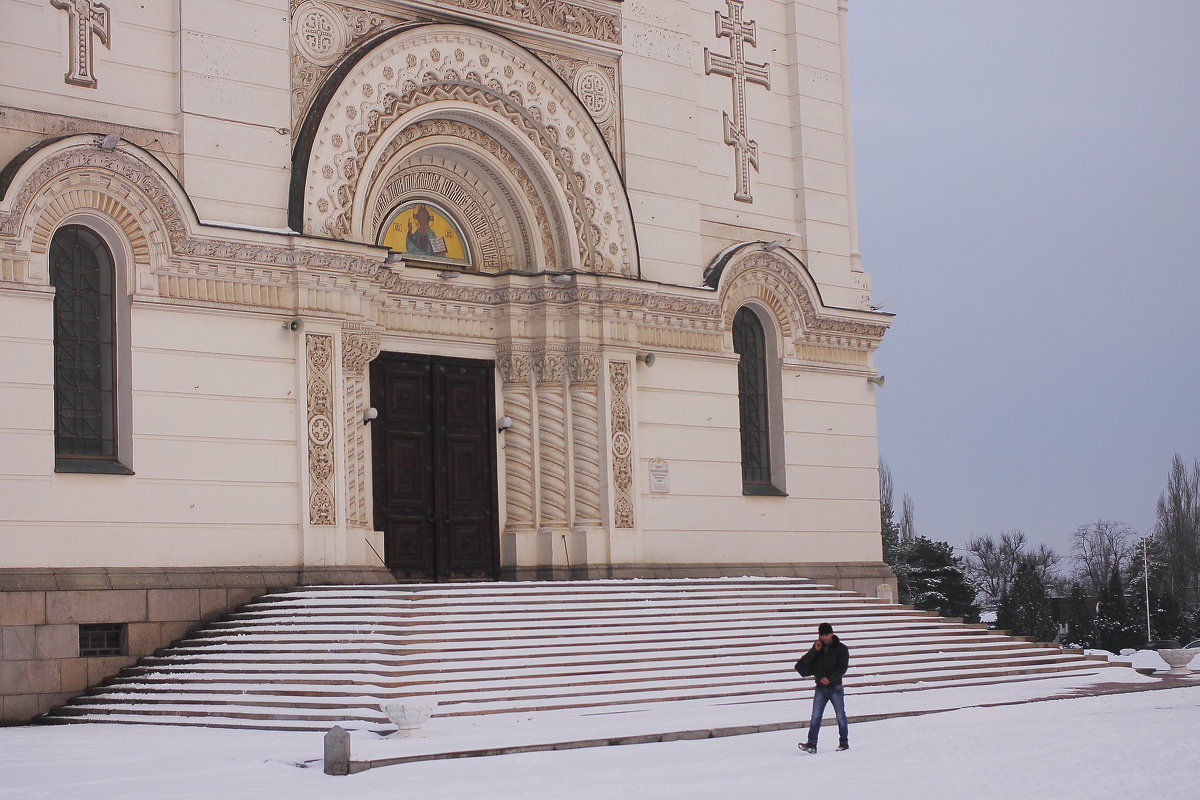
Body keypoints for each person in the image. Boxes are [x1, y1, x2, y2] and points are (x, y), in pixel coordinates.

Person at [794, 621, 849, 752]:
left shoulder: (841, 648)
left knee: (840, 715)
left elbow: (842, 668)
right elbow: (801, 665)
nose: (824, 637)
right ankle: (812, 743)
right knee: (816, 716)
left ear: (832, 634)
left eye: (827, 634)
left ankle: (844, 742)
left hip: (835, 687)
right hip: (820, 688)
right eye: (822, 635)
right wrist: (814, 650)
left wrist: (829, 678)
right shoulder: (818, 648)